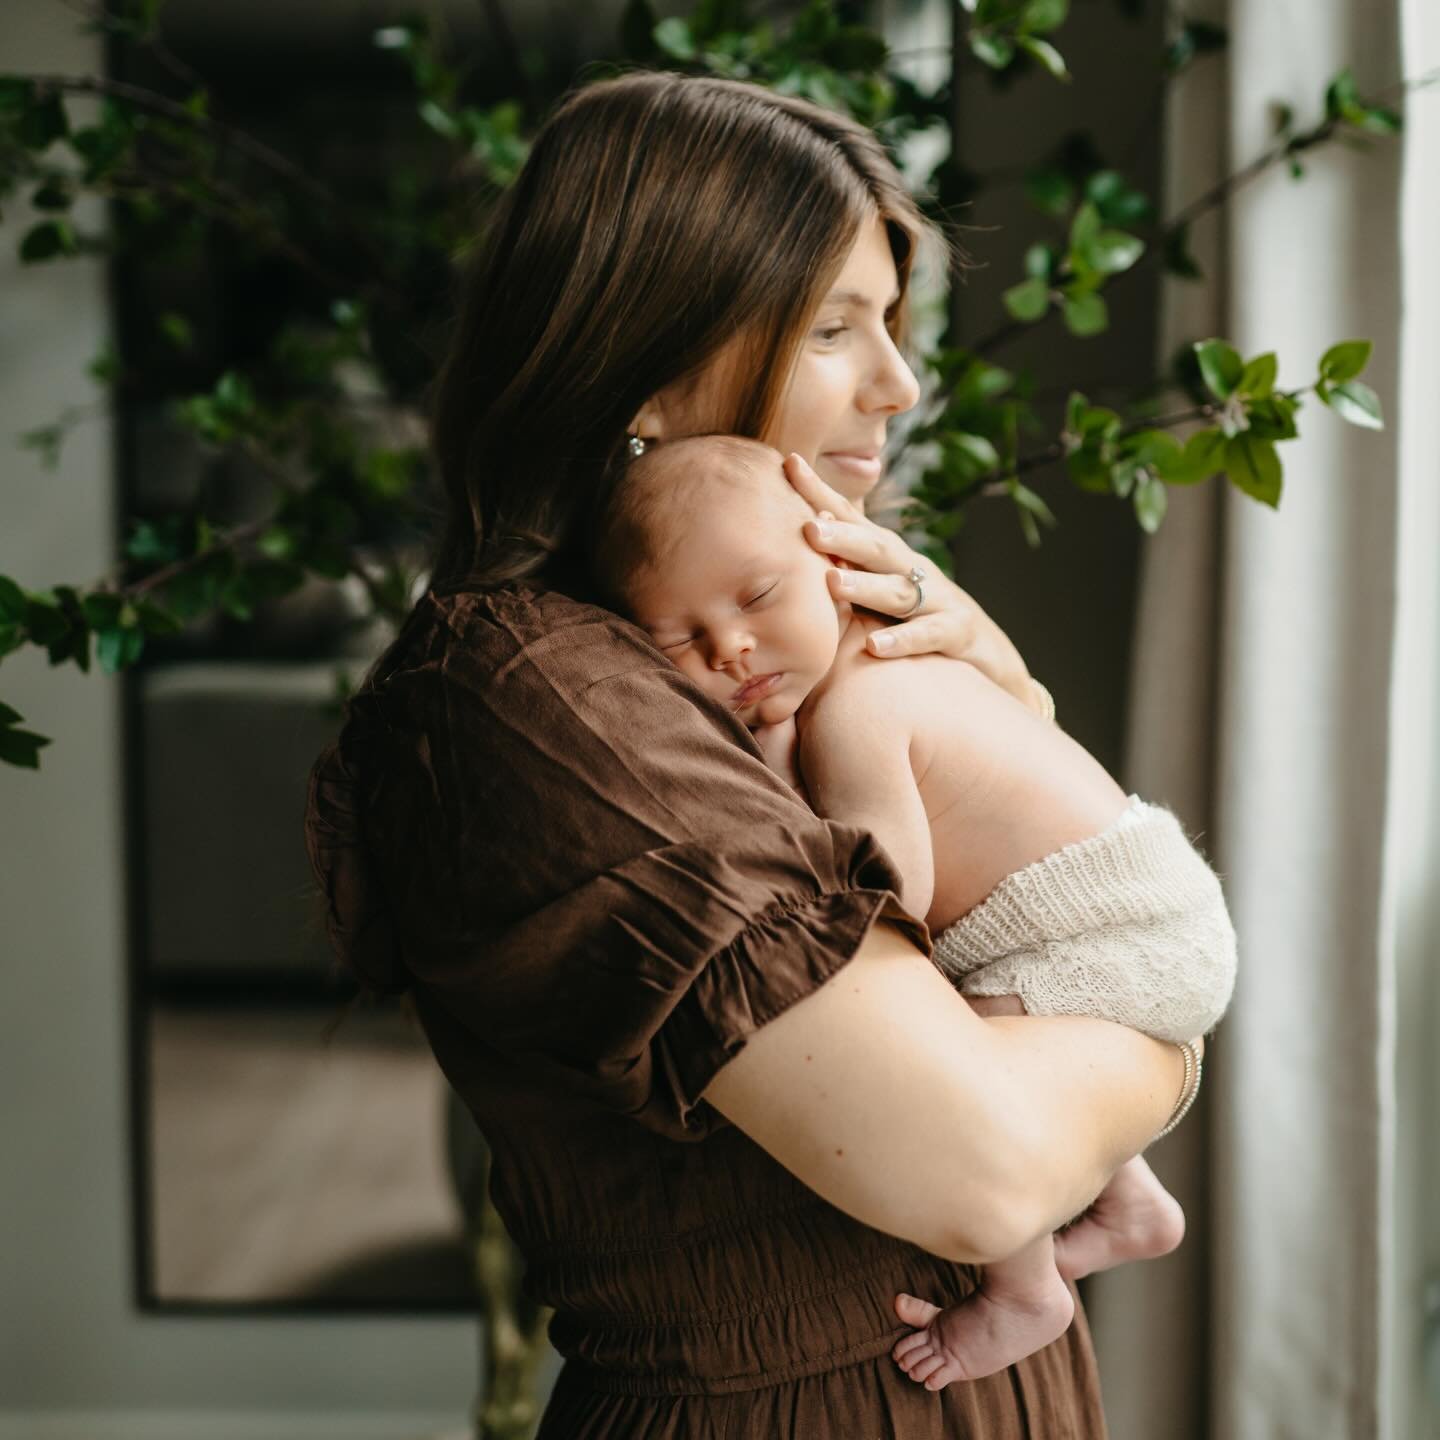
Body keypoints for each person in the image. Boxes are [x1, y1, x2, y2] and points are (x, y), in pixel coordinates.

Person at [305, 70, 1203, 1437]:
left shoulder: (754, 646)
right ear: (648, 362)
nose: (899, 384)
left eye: (894, 325)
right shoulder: (541, 695)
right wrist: (1165, 1043)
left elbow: (1039, 905)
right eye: (838, 327)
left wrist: (1000, 686)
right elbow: (987, 1171)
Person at [593, 432, 1237, 1388]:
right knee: (1015, 1036)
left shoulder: (861, 709)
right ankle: (1130, 1204)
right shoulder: (885, 677)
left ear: (840, 568)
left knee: (963, 1062)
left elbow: (889, 897)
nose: (730, 646)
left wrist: (775, 776)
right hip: (1148, 916)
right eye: (679, 642)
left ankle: (1026, 1291)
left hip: (1114, 934)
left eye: (758, 599)